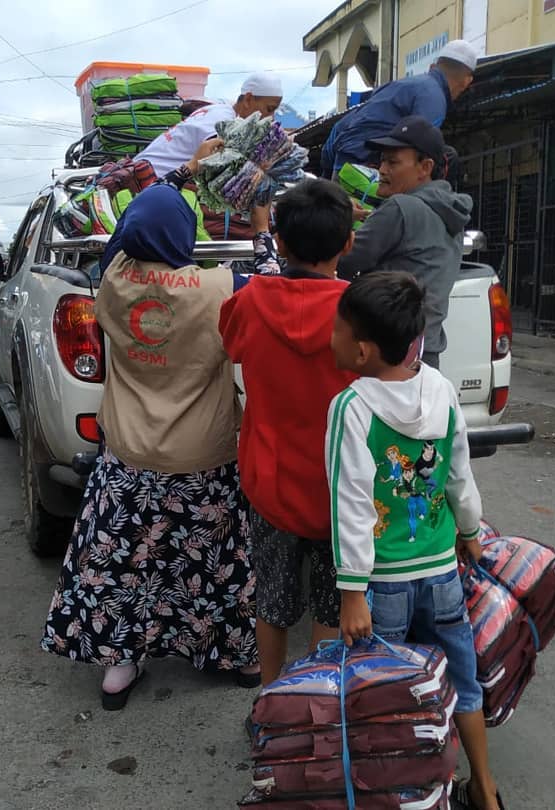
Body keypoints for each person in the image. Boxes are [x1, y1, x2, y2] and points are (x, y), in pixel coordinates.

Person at [41, 175, 260, 711]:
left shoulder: (113, 280)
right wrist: (260, 218)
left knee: (126, 563)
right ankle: (241, 655)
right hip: (204, 455)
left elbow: (120, 239)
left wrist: (168, 179)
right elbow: (275, 279)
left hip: (130, 458)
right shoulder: (219, 287)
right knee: (216, 561)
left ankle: (120, 664)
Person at [326, 271, 503, 810]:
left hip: (384, 585)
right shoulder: (443, 391)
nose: (328, 338)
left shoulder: (351, 408)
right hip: (442, 573)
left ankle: (408, 794)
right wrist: (470, 531)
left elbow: (351, 504)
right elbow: (457, 476)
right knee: (464, 684)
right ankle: (486, 789)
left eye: (336, 330)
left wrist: (352, 591)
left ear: (362, 349)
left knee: (389, 698)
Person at [218, 180, 358, 690]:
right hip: (339, 489)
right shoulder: (361, 310)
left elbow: (230, 345)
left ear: (278, 243)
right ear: (348, 243)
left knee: (272, 604)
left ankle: (272, 704)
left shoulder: (250, 303)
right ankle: (315, 707)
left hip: (269, 482)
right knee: (329, 603)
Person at [337, 116, 472, 369]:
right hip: (427, 353)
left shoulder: (401, 207)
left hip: (390, 356)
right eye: (382, 161)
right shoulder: (450, 211)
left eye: (393, 162)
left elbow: (342, 259)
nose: (382, 170)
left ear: (425, 167)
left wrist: (337, 219)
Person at [320, 39, 478, 179]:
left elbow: (340, 126)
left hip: (341, 168)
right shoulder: (433, 98)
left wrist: (329, 171)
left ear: (433, 66)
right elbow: (422, 149)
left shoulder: (399, 86)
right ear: (466, 81)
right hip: (366, 172)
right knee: (445, 156)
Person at [136, 72, 284, 177]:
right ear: (248, 99)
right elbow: (223, 169)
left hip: (142, 170)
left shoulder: (217, 109)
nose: (270, 117)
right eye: (269, 109)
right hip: (149, 179)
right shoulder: (224, 123)